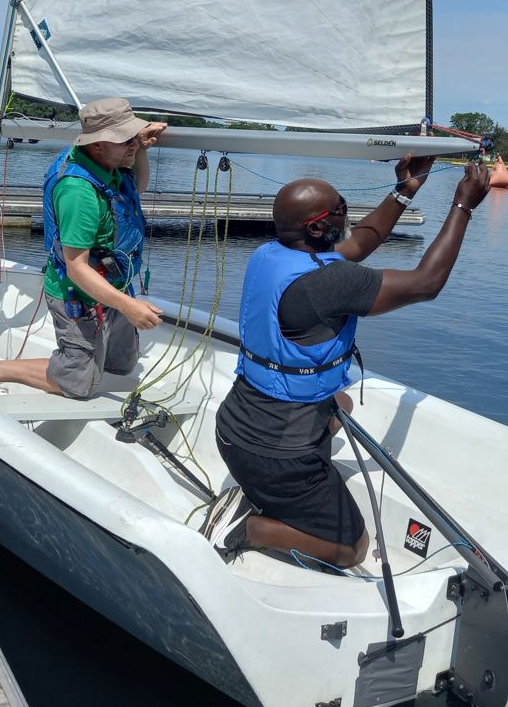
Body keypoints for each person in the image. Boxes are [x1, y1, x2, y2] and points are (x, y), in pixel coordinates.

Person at [203, 156, 492, 568]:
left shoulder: (270, 254)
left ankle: (267, 490)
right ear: (317, 228)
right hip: (278, 456)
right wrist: (463, 205)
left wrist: (403, 192)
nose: (347, 214)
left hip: (233, 427)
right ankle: (245, 526)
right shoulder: (331, 284)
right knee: (351, 548)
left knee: (344, 403)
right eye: (340, 209)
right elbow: (427, 283)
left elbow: (356, 245)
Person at [0, 97, 167, 398]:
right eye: (125, 140)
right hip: (79, 293)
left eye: (134, 136)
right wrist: (128, 306)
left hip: (113, 287)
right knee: (78, 386)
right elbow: (77, 268)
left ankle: (86, 360)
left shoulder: (105, 163)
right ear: (97, 145)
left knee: (121, 366)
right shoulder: (78, 192)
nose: (132, 144)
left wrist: (139, 147)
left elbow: (137, 188)